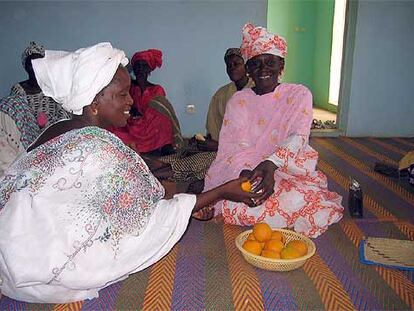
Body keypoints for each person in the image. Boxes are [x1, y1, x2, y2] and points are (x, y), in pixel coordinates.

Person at [0, 42, 259, 303]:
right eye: (123, 94)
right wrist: (222, 191)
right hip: (37, 266)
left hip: (10, 248)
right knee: (134, 226)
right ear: (94, 101)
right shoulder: (98, 145)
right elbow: (148, 215)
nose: (131, 100)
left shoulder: (59, 127)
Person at [204, 23, 344, 238]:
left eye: (270, 62)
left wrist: (270, 165)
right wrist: (246, 173)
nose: (263, 70)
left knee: (298, 200)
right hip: (245, 168)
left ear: (282, 66)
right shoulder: (239, 100)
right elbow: (233, 145)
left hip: (286, 167)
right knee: (245, 196)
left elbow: (298, 137)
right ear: (249, 69)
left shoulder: (299, 94)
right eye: (256, 64)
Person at [110, 49, 178, 156]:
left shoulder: (157, 89)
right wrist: (132, 110)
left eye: (144, 66)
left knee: (162, 119)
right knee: (113, 125)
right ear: (134, 69)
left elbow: (160, 108)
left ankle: (162, 146)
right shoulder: (129, 87)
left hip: (150, 123)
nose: (141, 69)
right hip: (130, 121)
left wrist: (144, 114)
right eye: (138, 66)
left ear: (149, 70)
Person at [202, 48, 254, 151]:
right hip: (222, 149)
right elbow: (214, 126)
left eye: (236, 64)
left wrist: (220, 147)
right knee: (184, 158)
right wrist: (209, 142)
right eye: (229, 65)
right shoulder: (221, 94)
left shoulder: (258, 89)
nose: (232, 68)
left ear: (246, 66)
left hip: (249, 151)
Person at [10, 41, 71, 127]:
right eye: (31, 64)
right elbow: (16, 115)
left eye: (38, 63)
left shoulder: (53, 87)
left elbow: (65, 114)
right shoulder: (18, 89)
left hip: (54, 130)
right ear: (26, 66)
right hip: (28, 132)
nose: (35, 67)